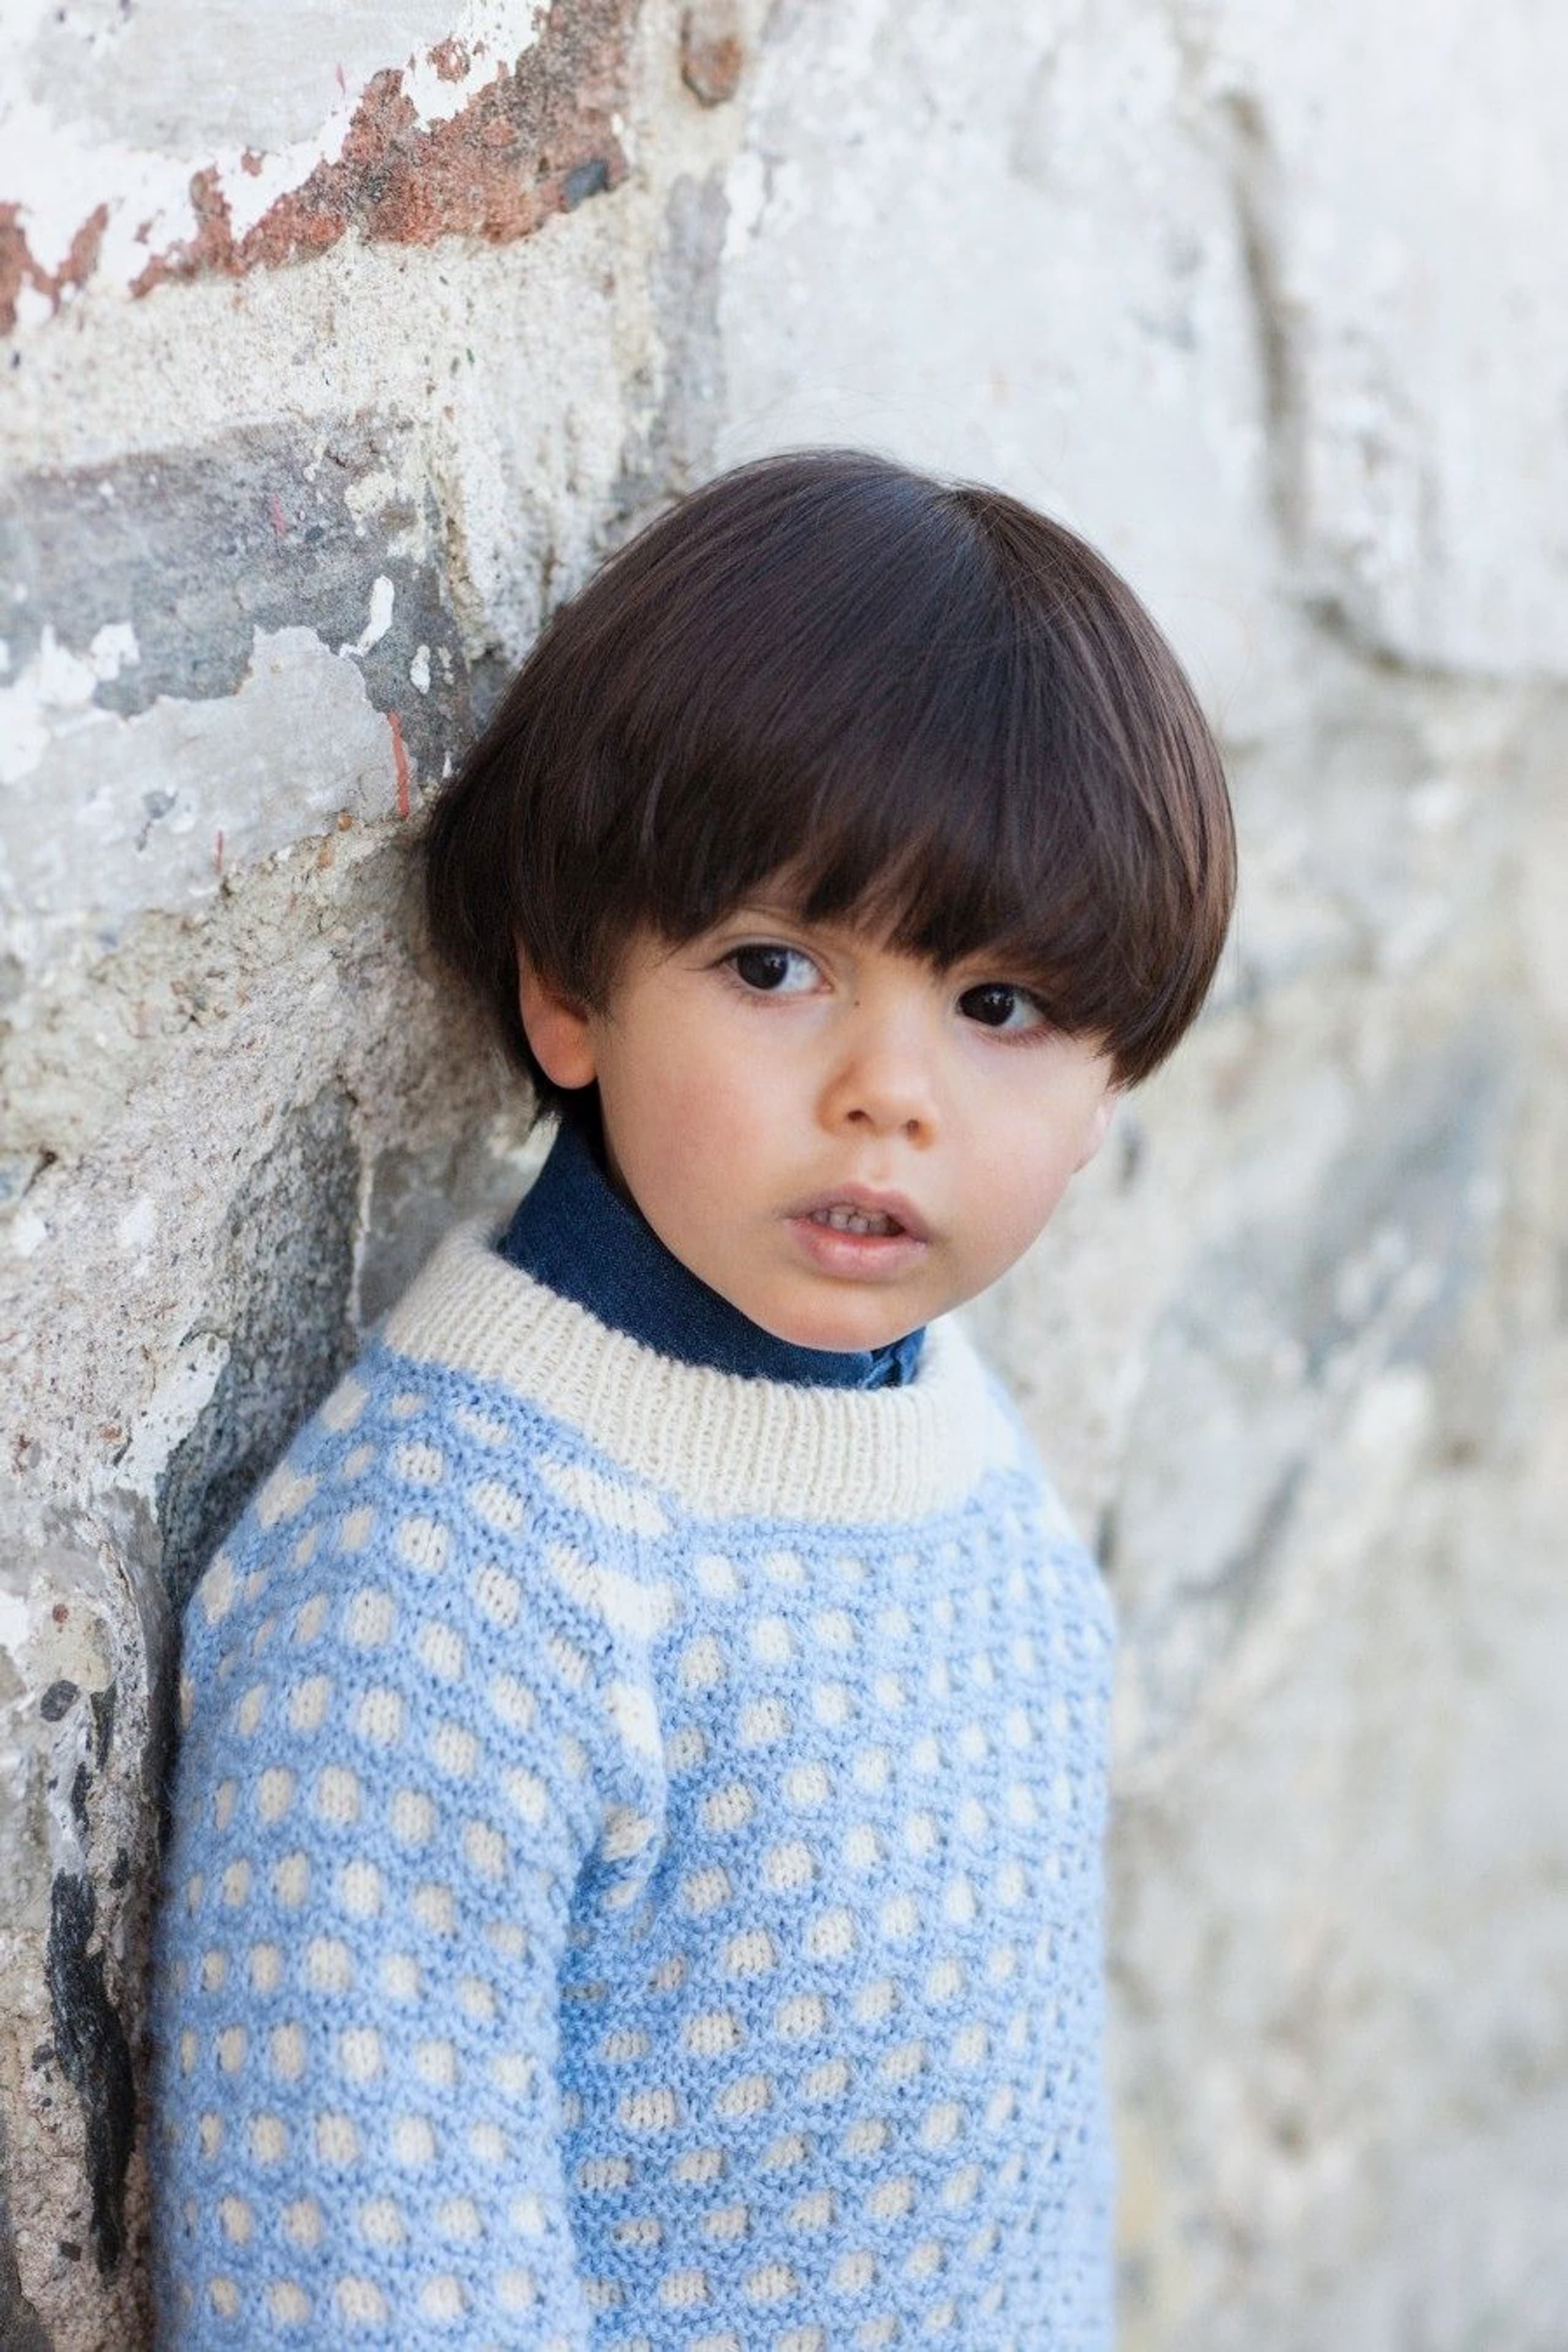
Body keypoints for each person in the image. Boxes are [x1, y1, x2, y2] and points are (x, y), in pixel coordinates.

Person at [149, 448, 1235, 2346]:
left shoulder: (939, 1418)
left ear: (1112, 1077)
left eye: (998, 1008)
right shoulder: (439, 1594)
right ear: (569, 993)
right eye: (775, 965)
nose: (889, 1093)